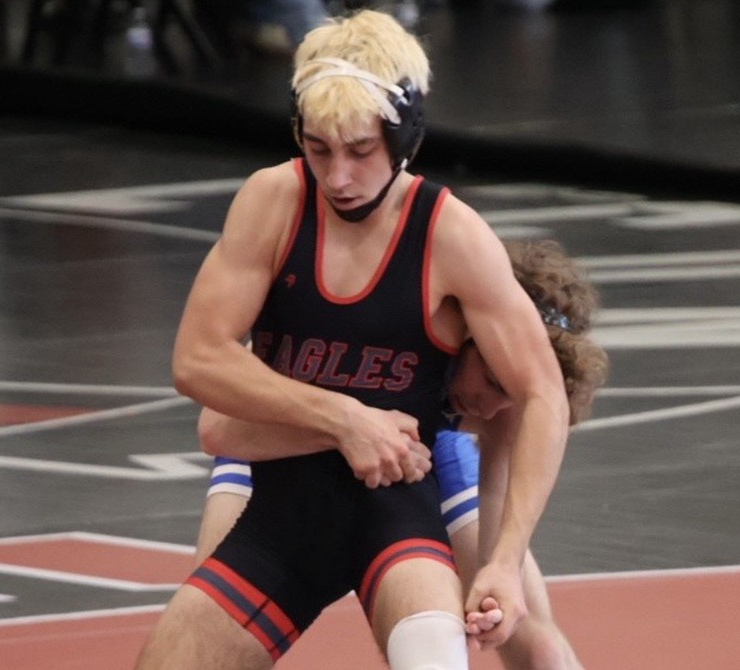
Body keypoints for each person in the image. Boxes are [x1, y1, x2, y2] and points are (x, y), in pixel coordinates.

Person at [136, 10, 569, 670]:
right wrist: (346, 420)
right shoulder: (272, 202)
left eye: (360, 152)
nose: (337, 177)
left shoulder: (451, 237)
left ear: (406, 138)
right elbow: (197, 364)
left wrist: (505, 561)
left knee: (454, 650)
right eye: (318, 150)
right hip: (284, 505)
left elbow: (538, 395)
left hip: (398, 506)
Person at [194, 238, 609, 669]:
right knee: (215, 637)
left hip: (418, 451)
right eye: (490, 380)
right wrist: (349, 429)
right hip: (284, 441)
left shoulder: (513, 378)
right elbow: (217, 429)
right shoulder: (379, 315)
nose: (490, 406)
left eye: (508, 393)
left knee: (531, 638)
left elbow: (496, 488)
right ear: (470, 329)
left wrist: (499, 570)